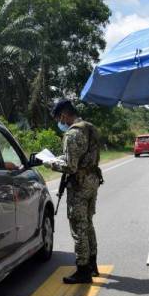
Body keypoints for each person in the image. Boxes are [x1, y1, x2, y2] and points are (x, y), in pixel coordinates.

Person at [45, 99, 103, 284]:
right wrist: (58, 158)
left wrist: (48, 162)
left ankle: (83, 270)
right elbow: (80, 155)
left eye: (59, 119)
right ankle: (92, 264)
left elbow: (70, 166)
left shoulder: (72, 134)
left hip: (79, 184)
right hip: (92, 181)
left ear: (63, 115)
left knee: (78, 226)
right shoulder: (90, 128)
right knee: (88, 223)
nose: (60, 123)